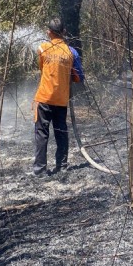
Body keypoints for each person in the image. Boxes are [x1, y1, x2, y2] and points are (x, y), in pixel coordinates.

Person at [33, 18, 81, 176]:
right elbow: (78, 76)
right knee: (61, 131)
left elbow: (42, 68)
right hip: (61, 100)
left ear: (49, 32)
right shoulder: (71, 52)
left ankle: (40, 170)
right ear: (64, 32)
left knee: (41, 133)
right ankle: (62, 166)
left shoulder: (43, 48)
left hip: (45, 98)